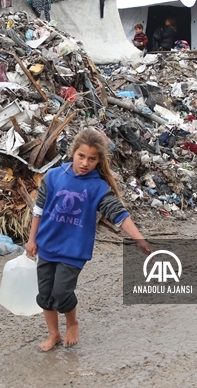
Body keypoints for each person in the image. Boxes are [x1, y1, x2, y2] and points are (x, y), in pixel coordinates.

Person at [25, 128, 151, 351]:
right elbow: (39, 209)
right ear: (73, 153)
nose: (85, 163)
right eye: (81, 156)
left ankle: (72, 322)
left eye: (92, 159)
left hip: (74, 250)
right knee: (45, 294)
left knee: (62, 293)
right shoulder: (53, 177)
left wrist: (139, 239)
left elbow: (119, 215)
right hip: (47, 245)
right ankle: (53, 334)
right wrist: (32, 239)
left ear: (98, 160)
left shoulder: (97, 187)